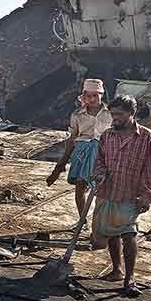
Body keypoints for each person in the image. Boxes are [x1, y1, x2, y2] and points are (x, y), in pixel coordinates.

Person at [92, 95, 151, 295]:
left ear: (132, 113)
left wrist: (147, 195)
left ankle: (130, 278)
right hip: (108, 191)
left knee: (129, 233)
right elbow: (100, 161)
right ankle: (116, 270)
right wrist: (99, 173)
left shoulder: (147, 137)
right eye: (113, 114)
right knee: (112, 233)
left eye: (120, 115)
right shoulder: (107, 136)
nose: (115, 118)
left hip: (131, 193)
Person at [46, 78, 111, 218]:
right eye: (88, 95)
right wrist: (60, 165)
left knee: (101, 188)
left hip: (102, 153)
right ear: (84, 95)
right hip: (81, 152)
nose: (92, 99)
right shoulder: (77, 115)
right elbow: (72, 139)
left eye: (95, 95)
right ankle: (82, 220)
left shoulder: (110, 113)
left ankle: (99, 221)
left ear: (101, 95)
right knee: (80, 185)